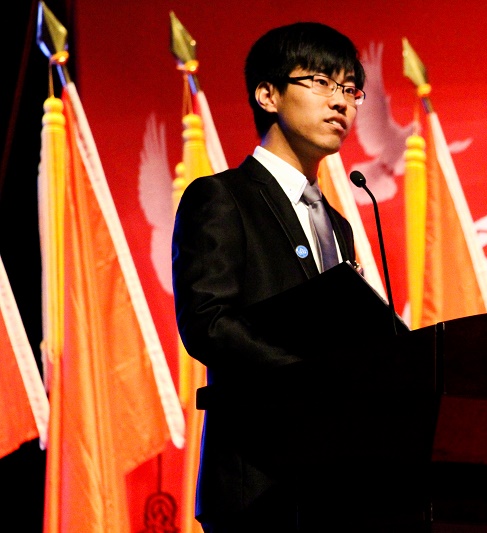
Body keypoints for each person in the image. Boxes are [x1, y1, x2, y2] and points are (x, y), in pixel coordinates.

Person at [172, 22, 374, 532]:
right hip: (257, 484)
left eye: (351, 89)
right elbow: (208, 322)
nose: (341, 102)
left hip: (334, 485)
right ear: (268, 94)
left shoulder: (339, 225)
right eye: (321, 82)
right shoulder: (223, 197)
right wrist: (311, 375)